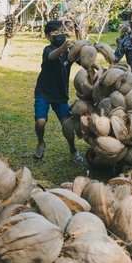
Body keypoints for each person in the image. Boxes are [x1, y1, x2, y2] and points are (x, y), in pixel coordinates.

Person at [33, 20, 83, 162]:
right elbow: (51, 56)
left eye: (61, 32)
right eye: (56, 33)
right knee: (40, 122)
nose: (60, 35)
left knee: (67, 124)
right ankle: (41, 141)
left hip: (60, 94)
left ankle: (73, 149)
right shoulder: (48, 50)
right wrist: (62, 49)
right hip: (44, 92)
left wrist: (97, 68)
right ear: (48, 37)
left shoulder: (69, 51)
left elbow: (83, 60)